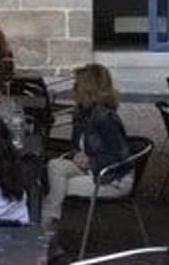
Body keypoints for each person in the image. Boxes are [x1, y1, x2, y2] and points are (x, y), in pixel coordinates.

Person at [39, 63, 129, 233]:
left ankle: (47, 228)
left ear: (88, 89)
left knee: (57, 188)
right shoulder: (82, 112)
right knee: (54, 165)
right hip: (92, 169)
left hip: (112, 177)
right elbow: (76, 144)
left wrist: (91, 161)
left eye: (77, 84)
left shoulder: (105, 118)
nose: (73, 88)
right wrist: (76, 155)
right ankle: (48, 223)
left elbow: (121, 159)